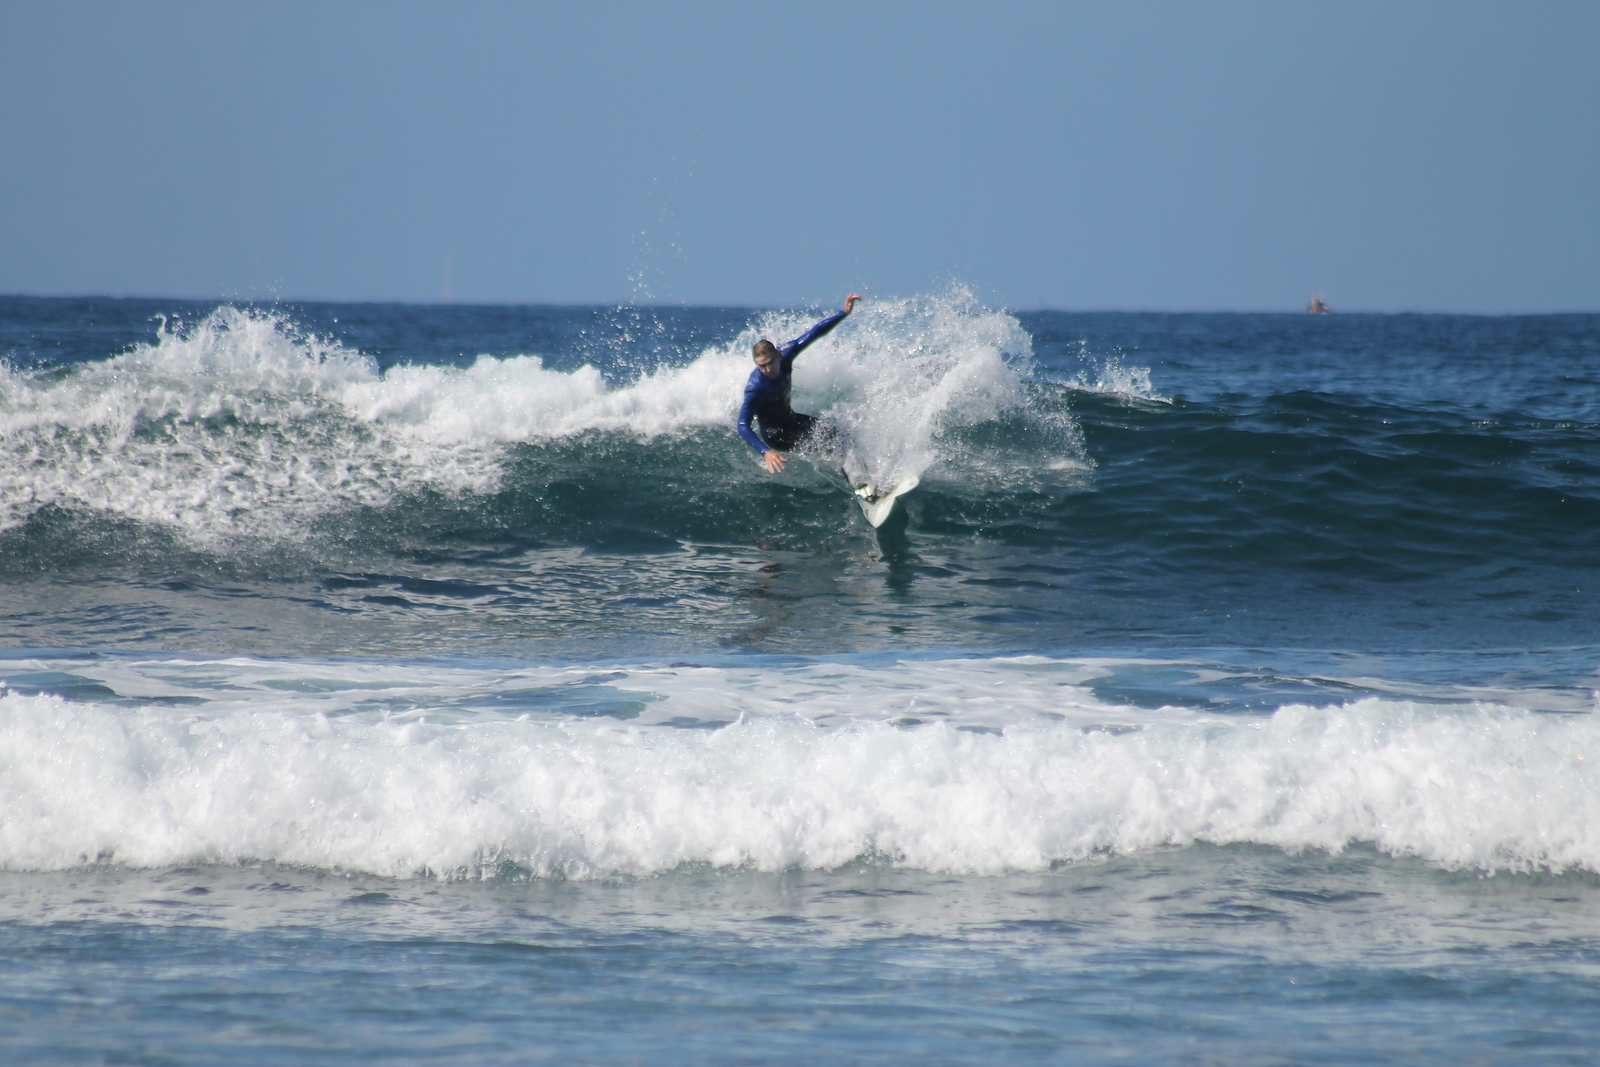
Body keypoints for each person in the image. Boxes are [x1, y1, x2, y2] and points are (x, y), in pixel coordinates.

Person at [736, 293, 862, 474]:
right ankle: (860, 485)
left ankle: (869, 475)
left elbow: (815, 332)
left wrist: (843, 313)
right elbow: (742, 425)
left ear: (778, 356)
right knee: (829, 447)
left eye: (770, 363)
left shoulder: (786, 354)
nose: (767, 370)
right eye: (761, 366)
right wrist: (766, 452)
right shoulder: (755, 388)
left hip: (792, 419)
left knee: (842, 436)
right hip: (776, 435)